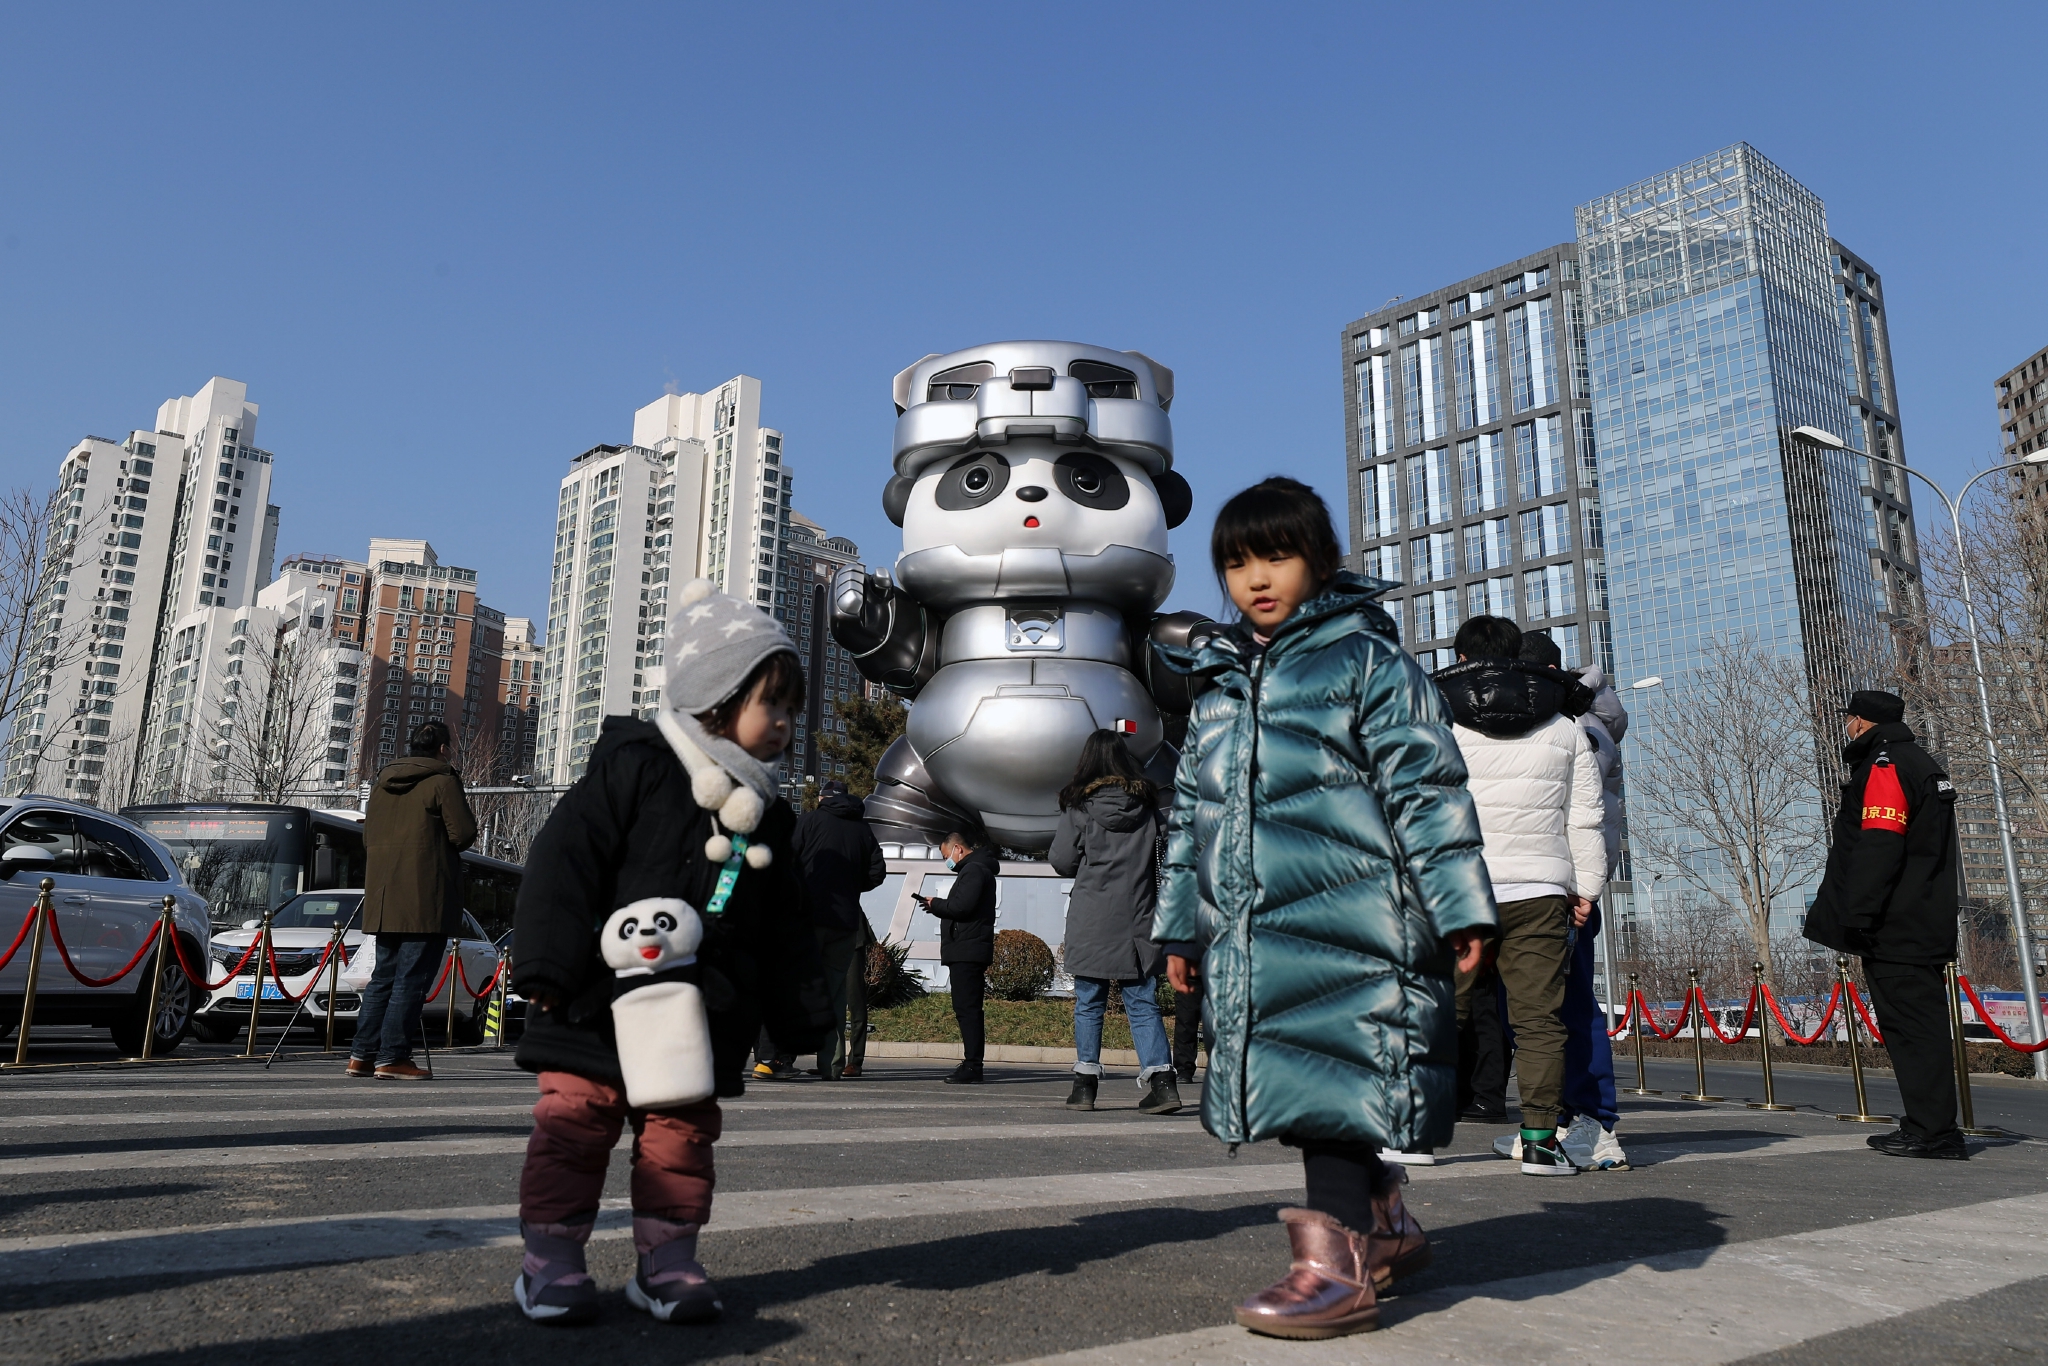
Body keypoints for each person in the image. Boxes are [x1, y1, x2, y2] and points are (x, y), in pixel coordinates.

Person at [1155, 476, 1495, 1340]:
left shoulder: (1368, 662)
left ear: (1322, 560)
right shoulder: (1220, 678)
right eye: (1236, 563)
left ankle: (1335, 1266)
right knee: (1309, 1083)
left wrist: (1460, 906)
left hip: (1359, 918)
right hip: (1254, 926)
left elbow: (1427, 788)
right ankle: (1383, 1222)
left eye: (1277, 555)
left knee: (1330, 1083)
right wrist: (1177, 925)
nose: (1255, 579)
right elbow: (1190, 811)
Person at [507, 579, 830, 1325]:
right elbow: (565, 861)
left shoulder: (768, 816)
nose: (784, 723)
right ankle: (550, 1262)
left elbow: (787, 923)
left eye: (790, 710)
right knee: (575, 1124)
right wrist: (549, 965)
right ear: (717, 696)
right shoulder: (636, 765)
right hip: (594, 998)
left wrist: (801, 1016)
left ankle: (667, 1264)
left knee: (679, 1140)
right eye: (770, 704)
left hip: (701, 1012)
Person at [1434, 615, 1607, 1177]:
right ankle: (1539, 1143)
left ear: (1463, 659)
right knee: (1539, 1022)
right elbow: (1585, 820)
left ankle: (1413, 1138)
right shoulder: (1565, 729)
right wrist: (1587, 887)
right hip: (1538, 889)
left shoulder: (1440, 722)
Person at [1804, 689, 1965, 1161]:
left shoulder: (1886, 766)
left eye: (1849, 719)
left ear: (1860, 722)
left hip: (1895, 925)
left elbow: (1879, 845)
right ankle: (1931, 1126)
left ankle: (1932, 1132)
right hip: (1923, 919)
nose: (1846, 727)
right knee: (1923, 1028)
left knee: (1911, 1029)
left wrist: (1857, 916)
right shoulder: (1920, 761)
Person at [1528, 637, 1629, 1171]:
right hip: (1552, 882)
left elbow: (1584, 815)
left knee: (1569, 1006)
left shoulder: (1582, 725)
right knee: (1538, 1008)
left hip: (1566, 889)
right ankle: (1565, 1120)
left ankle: (1596, 1121)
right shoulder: (1578, 718)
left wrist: (1583, 890)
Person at [1049, 729, 1178, 1115]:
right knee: (1142, 1002)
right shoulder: (1148, 808)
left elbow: (1061, 861)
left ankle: (1084, 1086)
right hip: (1139, 918)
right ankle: (1162, 1082)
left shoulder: (1079, 808)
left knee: (1089, 1002)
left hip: (1092, 919)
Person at [352, 719, 478, 1081]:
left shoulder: (381, 783)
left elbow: (367, 837)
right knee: (410, 980)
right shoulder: (443, 780)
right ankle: (393, 1056)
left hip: (383, 894)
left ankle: (361, 1055)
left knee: (382, 978)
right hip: (426, 898)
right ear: (442, 749)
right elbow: (464, 834)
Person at [791, 779, 888, 1080]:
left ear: (821, 798)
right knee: (835, 994)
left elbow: (788, 860)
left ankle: (782, 1058)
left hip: (810, 917)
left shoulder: (808, 821)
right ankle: (830, 1065)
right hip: (846, 923)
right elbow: (877, 872)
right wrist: (851, 888)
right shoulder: (863, 829)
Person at [917, 827, 999, 1085]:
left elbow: (962, 907)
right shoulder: (975, 869)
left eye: (946, 856)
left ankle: (973, 1065)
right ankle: (972, 1063)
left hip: (967, 949)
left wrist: (936, 904)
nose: (946, 862)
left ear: (958, 849)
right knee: (967, 1008)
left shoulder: (973, 870)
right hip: (968, 947)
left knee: (968, 1009)